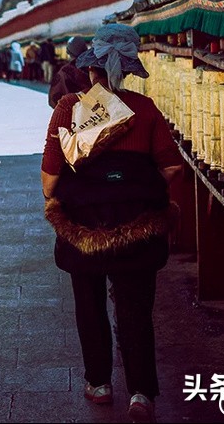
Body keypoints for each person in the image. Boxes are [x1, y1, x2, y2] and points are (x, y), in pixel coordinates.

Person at [40, 24, 183, 424]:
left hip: (82, 228)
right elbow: (172, 166)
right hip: (138, 228)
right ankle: (141, 393)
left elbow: (50, 176)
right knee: (136, 309)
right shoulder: (146, 109)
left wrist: (68, 197)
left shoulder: (68, 107)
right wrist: (137, 188)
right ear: (130, 70)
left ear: (91, 68)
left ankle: (99, 383)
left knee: (89, 306)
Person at [48, 36, 93, 108]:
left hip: (72, 110)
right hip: (94, 109)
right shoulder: (94, 66)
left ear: (69, 52)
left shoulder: (65, 71)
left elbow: (54, 99)